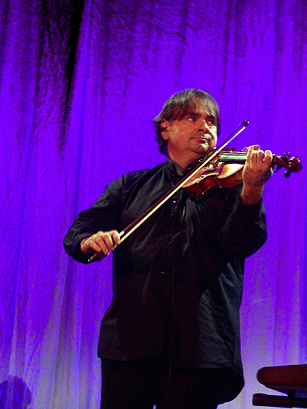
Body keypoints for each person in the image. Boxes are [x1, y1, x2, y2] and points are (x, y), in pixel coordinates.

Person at [63, 89, 272, 409]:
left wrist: (252, 191)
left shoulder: (232, 187)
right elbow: (80, 228)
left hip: (200, 343)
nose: (206, 126)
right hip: (130, 342)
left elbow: (243, 243)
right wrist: (87, 240)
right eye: (193, 117)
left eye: (212, 121)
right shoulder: (130, 186)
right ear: (165, 128)